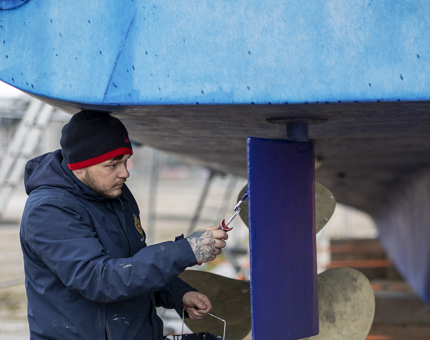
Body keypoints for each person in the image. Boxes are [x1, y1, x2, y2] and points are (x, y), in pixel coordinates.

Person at [20, 111, 228, 340]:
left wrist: (177, 293)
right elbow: (99, 280)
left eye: (126, 160)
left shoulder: (116, 193)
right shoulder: (49, 210)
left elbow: (132, 263)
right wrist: (184, 251)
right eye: (113, 165)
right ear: (79, 166)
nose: (125, 172)